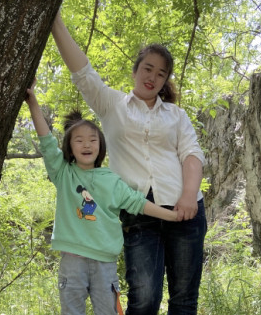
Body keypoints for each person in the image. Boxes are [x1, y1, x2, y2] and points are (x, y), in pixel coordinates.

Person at [51, 12, 207, 315]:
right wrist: (55, 20)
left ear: (164, 81)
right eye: (148, 68)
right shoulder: (111, 105)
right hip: (139, 212)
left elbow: (192, 155)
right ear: (136, 70)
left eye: (161, 74)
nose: (153, 77)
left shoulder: (176, 115)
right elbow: (82, 72)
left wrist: (189, 195)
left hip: (185, 211)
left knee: (184, 300)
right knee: (144, 299)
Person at [24, 79, 182, 315]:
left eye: (92, 139)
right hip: (72, 261)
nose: (86, 144)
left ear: (101, 146)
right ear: (70, 147)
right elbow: (46, 141)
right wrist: (32, 102)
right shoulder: (63, 173)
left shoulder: (111, 180)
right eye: (79, 140)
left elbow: (138, 203)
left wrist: (171, 215)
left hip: (105, 263)